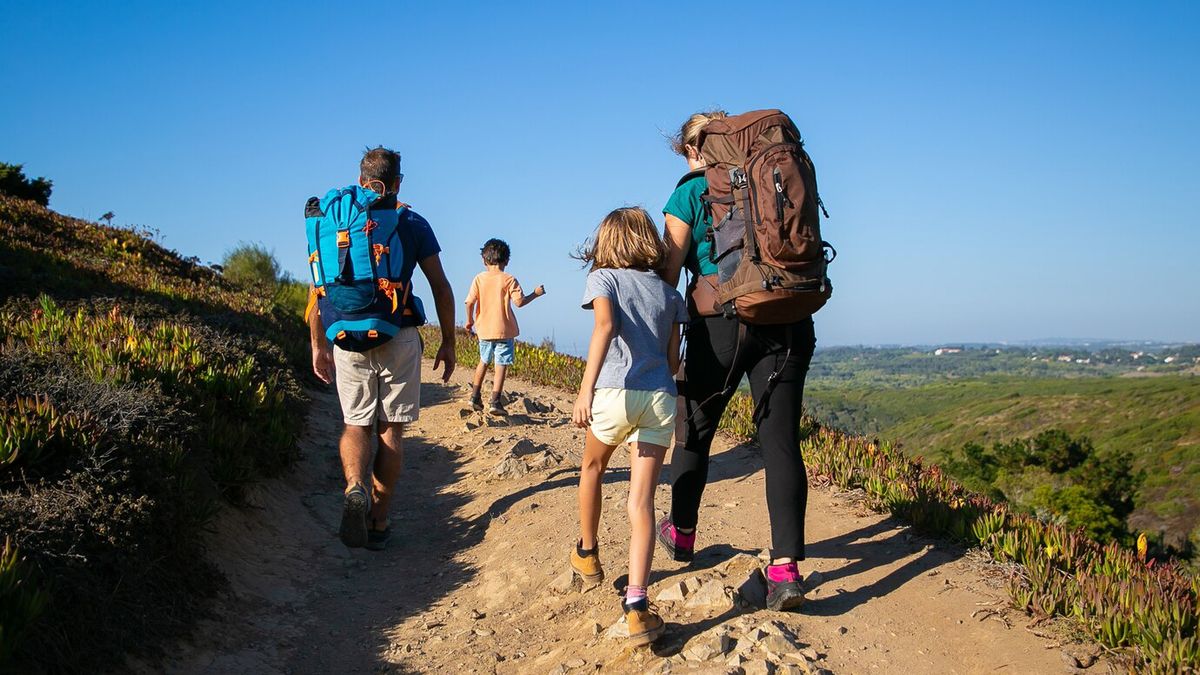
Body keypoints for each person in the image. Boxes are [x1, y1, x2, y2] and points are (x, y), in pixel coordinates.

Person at [656, 112, 818, 611]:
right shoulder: (775, 174)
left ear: (693, 149)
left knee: (695, 428)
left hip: (720, 323)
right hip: (788, 315)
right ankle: (785, 571)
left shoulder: (690, 192)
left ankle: (682, 534)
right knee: (781, 442)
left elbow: (668, 274)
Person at [308, 146, 456, 551]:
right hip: (397, 334)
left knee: (355, 425)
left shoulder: (333, 221)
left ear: (360, 179)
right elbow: (441, 286)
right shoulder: (411, 221)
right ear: (398, 183)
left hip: (345, 336)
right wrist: (448, 342)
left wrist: (318, 344)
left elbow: (318, 287)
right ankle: (378, 520)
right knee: (391, 430)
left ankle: (354, 486)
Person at [569, 207, 688, 646]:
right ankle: (637, 605)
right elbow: (673, 361)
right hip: (659, 398)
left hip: (614, 393)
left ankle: (587, 553)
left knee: (592, 468)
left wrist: (585, 391)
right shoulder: (670, 292)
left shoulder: (604, 279)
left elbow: (605, 326)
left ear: (608, 242)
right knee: (642, 502)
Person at [463, 238, 545, 415]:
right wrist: (535, 294)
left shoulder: (479, 279)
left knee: (483, 361)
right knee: (501, 364)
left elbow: (469, 302)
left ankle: (475, 397)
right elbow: (519, 302)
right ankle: (495, 401)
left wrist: (469, 321)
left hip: (484, 329)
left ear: (484, 260)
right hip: (504, 330)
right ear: (507, 260)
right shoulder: (509, 279)